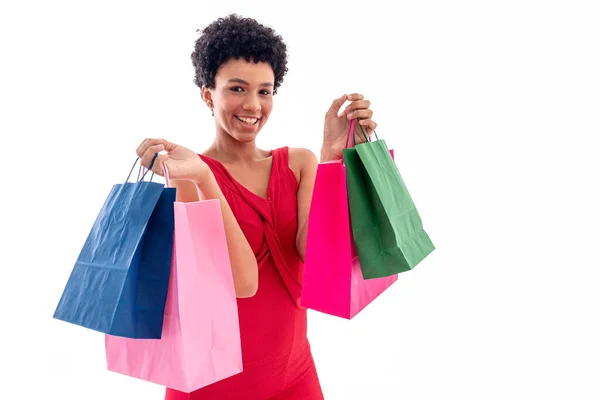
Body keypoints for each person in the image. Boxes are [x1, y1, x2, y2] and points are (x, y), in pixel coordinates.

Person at [136, 13, 377, 400]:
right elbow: (243, 282)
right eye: (237, 88)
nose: (253, 104)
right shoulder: (187, 175)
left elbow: (314, 256)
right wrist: (205, 178)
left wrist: (332, 159)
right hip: (209, 386)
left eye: (265, 91)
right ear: (207, 93)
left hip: (295, 375)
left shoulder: (298, 163)